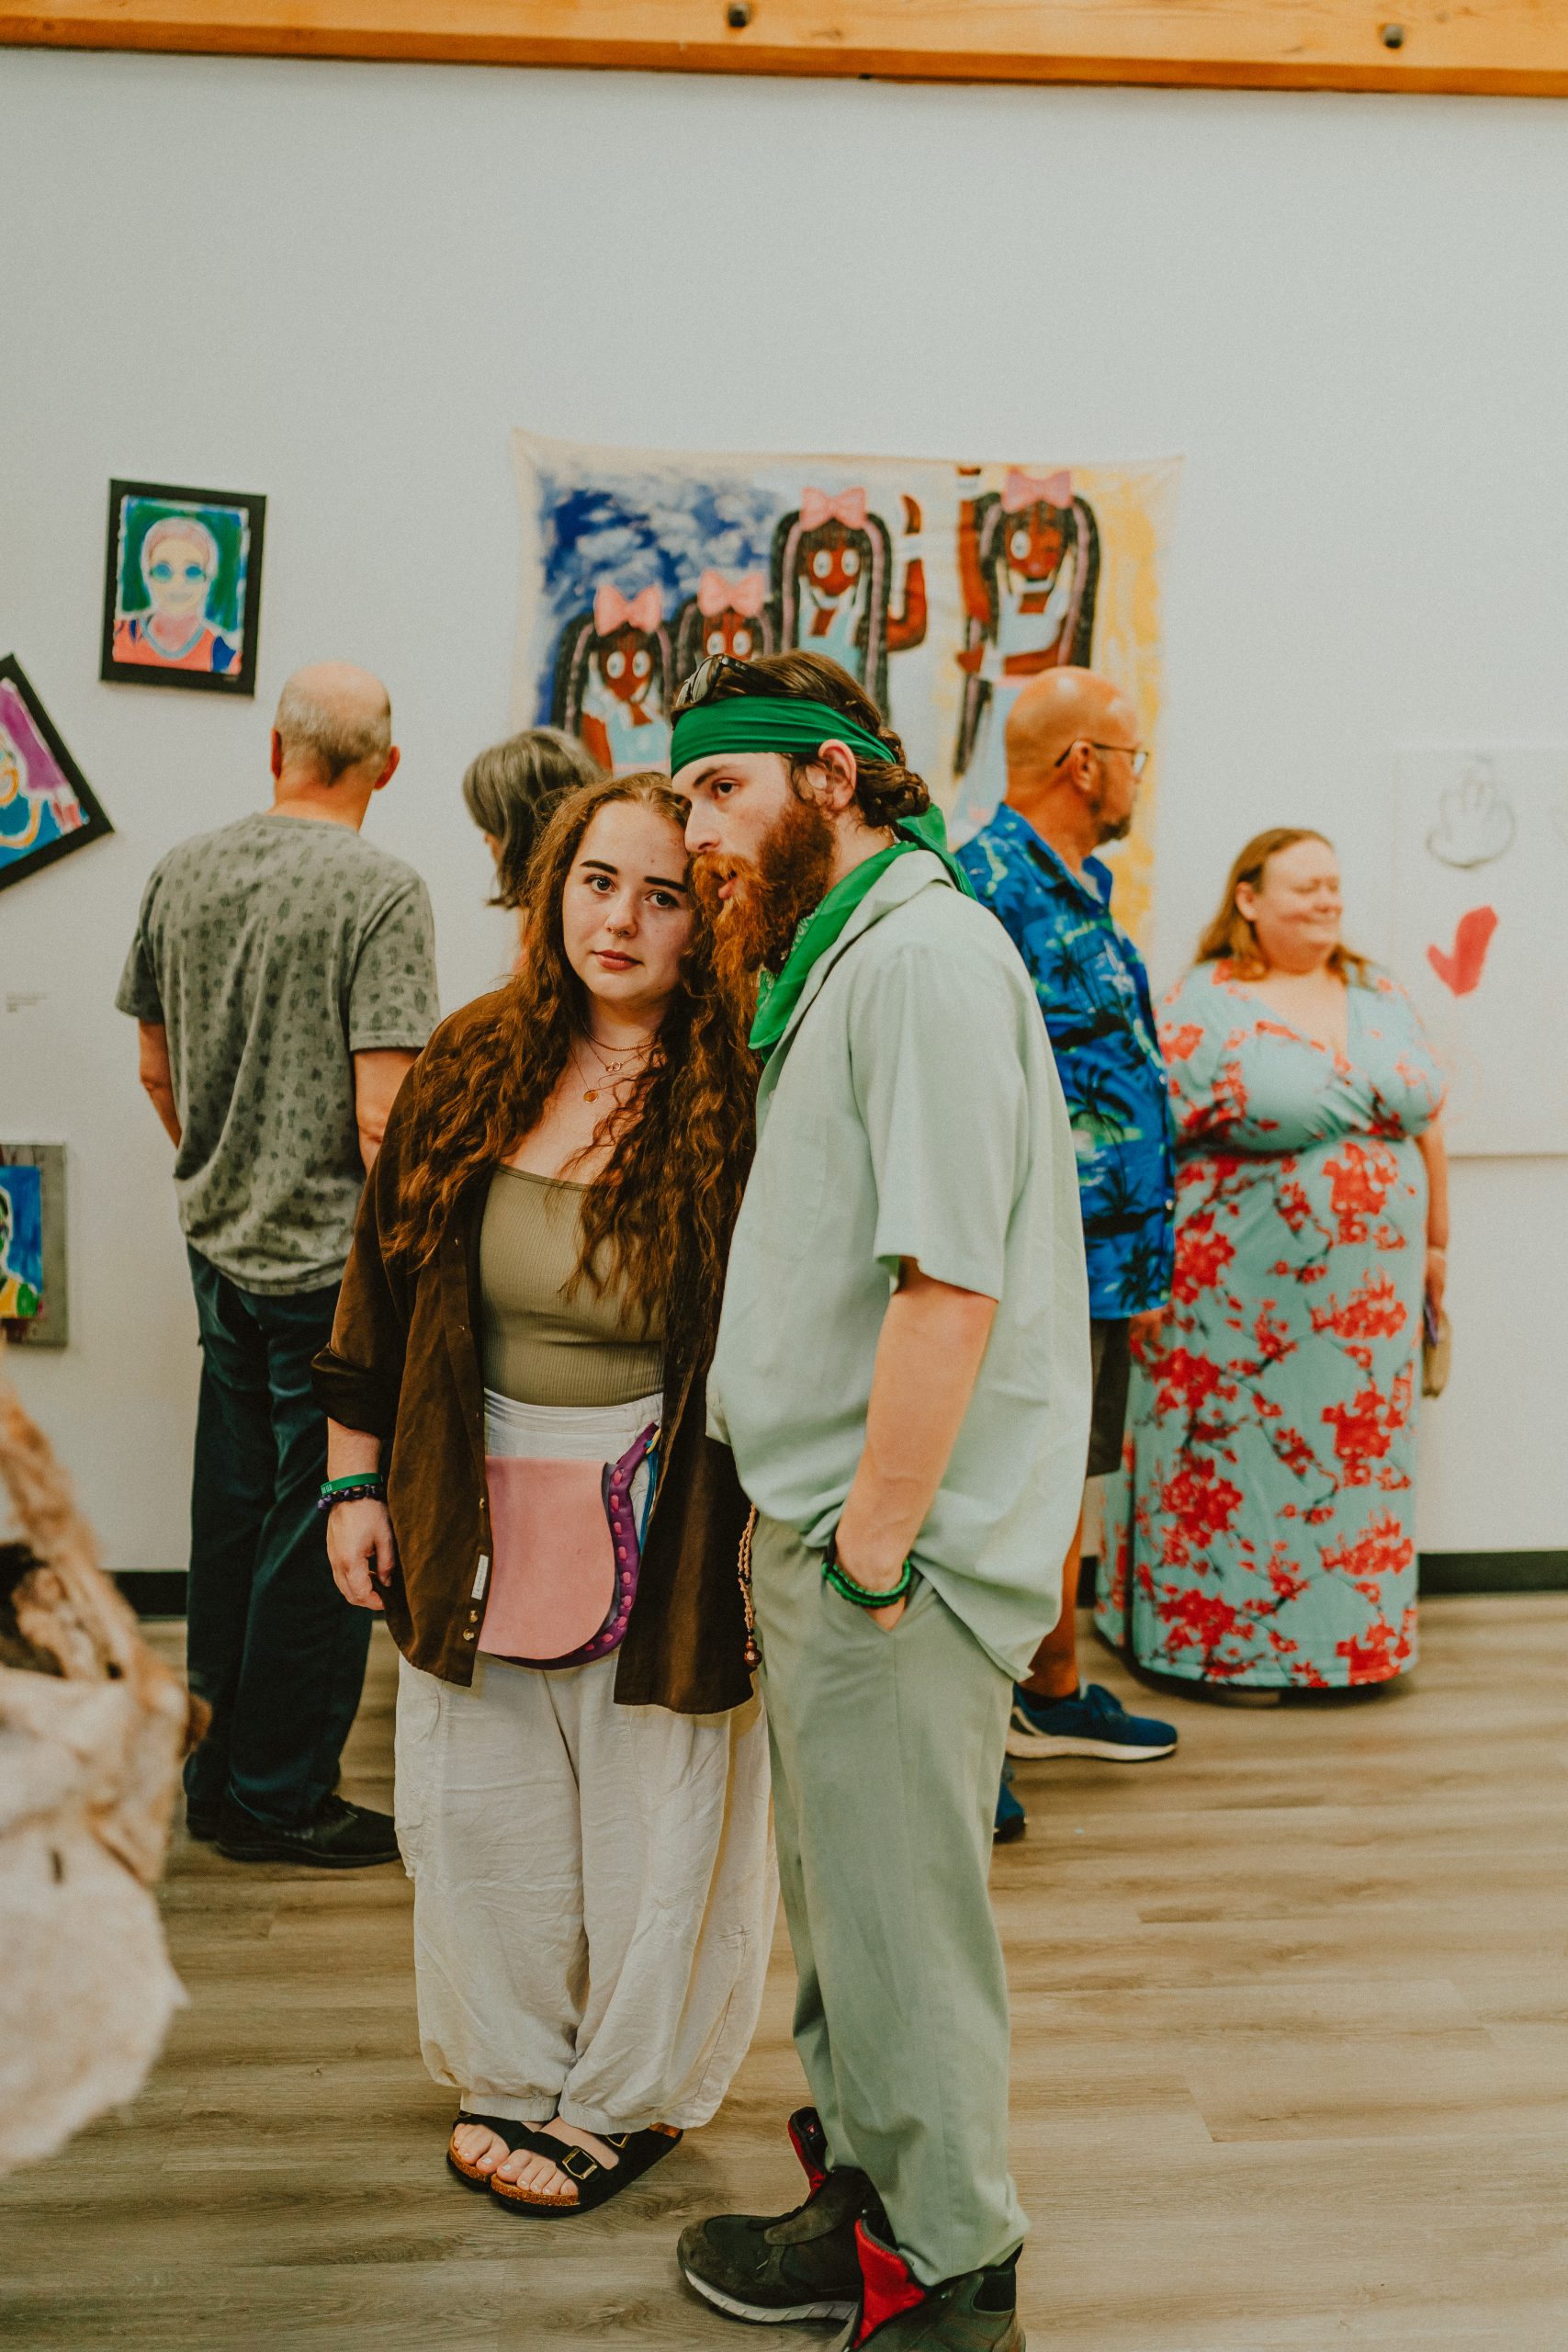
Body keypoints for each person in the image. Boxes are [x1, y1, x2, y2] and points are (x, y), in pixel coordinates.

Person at [668, 650, 1089, 2352]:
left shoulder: (919, 959)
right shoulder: (845, 951)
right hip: (834, 1526)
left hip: (886, 1552)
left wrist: (867, 1552)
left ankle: (951, 2278)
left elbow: (946, 1281)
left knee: (904, 1931)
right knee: (851, 1912)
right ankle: (868, 2201)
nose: (697, 831)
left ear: (831, 778)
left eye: (720, 788)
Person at [312, 771, 775, 2212]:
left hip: (674, 1512)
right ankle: (510, 2068)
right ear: (553, 888)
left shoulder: (745, 1087)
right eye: (596, 881)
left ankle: (625, 2101)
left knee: (659, 1827)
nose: (619, 919)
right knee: (483, 1813)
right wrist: (353, 1482)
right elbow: (377, 1284)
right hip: (469, 1493)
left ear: (708, 917)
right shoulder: (471, 1055)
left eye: (662, 893)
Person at [116, 662, 437, 1865]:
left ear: (276, 749)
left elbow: (155, 1068)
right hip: (328, 1270)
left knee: (235, 1513)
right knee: (325, 1524)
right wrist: (414, 1264)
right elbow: (382, 1115)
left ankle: (215, 1773)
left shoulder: (181, 869)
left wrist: (221, 1172)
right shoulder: (382, 890)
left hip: (217, 1245)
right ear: (386, 767)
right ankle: (280, 1794)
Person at [1099, 828, 1448, 1695]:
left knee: (1355, 1475)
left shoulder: (1377, 991)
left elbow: (1426, 1124)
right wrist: (1136, 1270)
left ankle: (1351, 1650)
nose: (1327, 901)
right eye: (1305, 887)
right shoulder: (1201, 1003)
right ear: (1248, 899)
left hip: (1367, 1318)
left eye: (1332, 884)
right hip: (1234, 1307)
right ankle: (1218, 1653)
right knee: (1233, 1469)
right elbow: (1146, 1142)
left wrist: (1437, 1244)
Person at [959, 669, 1179, 1843]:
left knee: (1069, 1478)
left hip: (1105, 1262)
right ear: (1083, 763)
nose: (1141, 778)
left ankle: (1049, 1687)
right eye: (1133, 756)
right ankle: (972, 1727)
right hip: (1032, 1262)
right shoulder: (984, 888)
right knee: (1005, 1488)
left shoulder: (1081, 888)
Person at [461, 724, 604, 957]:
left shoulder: (559, 944)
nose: (487, 840)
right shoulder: (542, 921)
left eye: (491, 827)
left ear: (522, 835)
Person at [111, 514, 238, 675]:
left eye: (192, 572)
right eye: (163, 571)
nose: (178, 583)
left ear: (207, 578)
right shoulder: (118, 635)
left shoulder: (225, 658)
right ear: (148, 575)